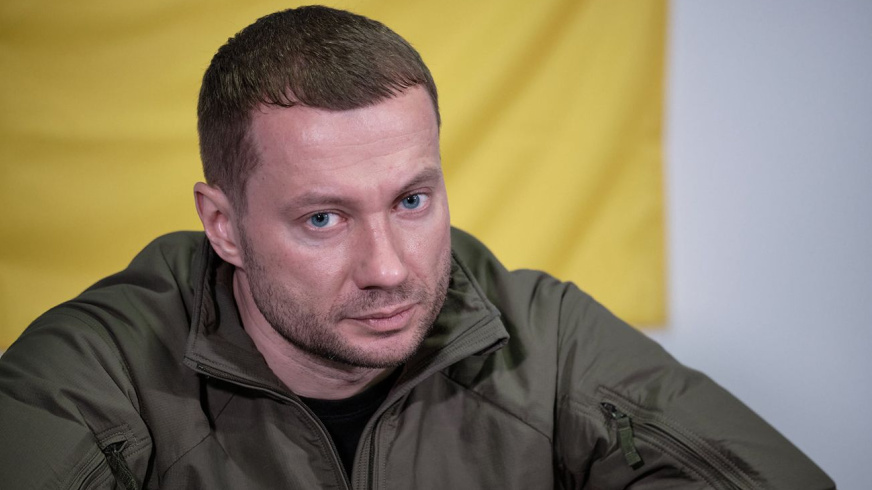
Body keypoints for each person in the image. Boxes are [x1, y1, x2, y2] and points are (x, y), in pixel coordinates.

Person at [0, 6, 834, 489]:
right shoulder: (99, 364)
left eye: (411, 201)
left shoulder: (539, 334)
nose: (390, 269)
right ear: (224, 227)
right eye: (323, 219)